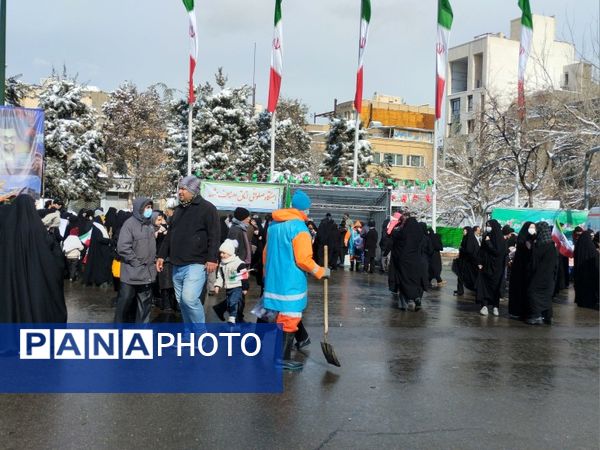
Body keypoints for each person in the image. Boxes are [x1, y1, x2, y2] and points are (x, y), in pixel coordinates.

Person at [263, 190, 329, 370]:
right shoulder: (300, 229)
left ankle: (275, 356)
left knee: (278, 318)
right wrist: (321, 271)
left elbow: (265, 254)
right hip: (290, 283)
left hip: (273, 281)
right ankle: (281, 359)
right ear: (305, 210)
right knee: (290, 319)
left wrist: (266, 274)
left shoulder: (274, 227)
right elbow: (303, 259)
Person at [156, 176, 220, 324]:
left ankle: (200, 334)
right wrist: (161, 256)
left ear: (193, 190)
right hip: (176, 264)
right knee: (182, 303)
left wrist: (212, 258)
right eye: (180, 188)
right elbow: (169, 236)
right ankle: (188, 333)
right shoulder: (178, 210)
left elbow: (214, 235)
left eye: (184, 189)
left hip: (196, 263)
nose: (180, 192)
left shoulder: (207, 208)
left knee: (189, 299)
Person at [0, 194, 67, 322]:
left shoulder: (6, 231)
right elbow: (54, 255)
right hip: (34, 279)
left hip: (10, 279)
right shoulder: (38, 230)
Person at [114, 198, 156, 323]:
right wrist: (135, 262)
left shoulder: (150, 225)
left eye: (150, 207)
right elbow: (123, 247)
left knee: (144, 306)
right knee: (125, 303)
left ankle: (142, 333)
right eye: (146, 207)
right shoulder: (129, 224)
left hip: (147, 273)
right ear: (139, 208)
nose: (149, 210)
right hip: (131, 273)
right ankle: (118, 331)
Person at [213, 207, 253, 322]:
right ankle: (238, 318)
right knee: (237, 293)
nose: (249, 219)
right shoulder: (235, 230)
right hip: (236, 266)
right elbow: (230, 249)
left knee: (238, 293)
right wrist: (237, 265)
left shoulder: (241, 228)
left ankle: (223, 310)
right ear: (242, 218)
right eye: (247, 217)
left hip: (241, 264)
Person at [389, 217, 428, 311]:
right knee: (415, 281)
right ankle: (417, 298)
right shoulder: (420, 235)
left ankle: (404, 304)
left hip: (404, 262)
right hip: (417, 261)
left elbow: (392, 236)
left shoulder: (403, 233)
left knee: (404, 281)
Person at [526, 222, 558, 325]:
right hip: (549, 276)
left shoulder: (541, 245)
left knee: (533, 292)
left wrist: (531, 248)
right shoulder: (552, 245)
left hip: (540, 275)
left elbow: (535, 260)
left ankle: (537, 316)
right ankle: (548, 316)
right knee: (546, 296)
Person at [214, 239, 250, 324]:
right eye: (221, 253)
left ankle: (232, 318)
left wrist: (245, 287)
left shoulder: (238, 263)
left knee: (233, 301)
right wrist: (217, 285)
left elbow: (244, 276)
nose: (221, 255)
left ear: (230, 253)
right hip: (228, 287)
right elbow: (220, 276)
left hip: (237, 286)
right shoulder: (222, 264)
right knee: (231, 302)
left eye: (224, 253)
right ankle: (234, 317)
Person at [475, 219, 506, 316]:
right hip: (486, 267)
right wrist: (479, 262)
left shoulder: (500, 240)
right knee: (484, 286)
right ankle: (484, 306)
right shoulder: (486, 237)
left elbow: (498, 252)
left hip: (497, 268)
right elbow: (481, 251)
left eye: (489, 226)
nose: (488, 228)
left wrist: (489, 243)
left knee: (495, 288)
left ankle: (495, 306)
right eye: (487, 225)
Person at [507, 222, 535, 319]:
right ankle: (516, 311)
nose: (532, 229)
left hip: (529, 270)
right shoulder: (521, 239)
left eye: (534, 228)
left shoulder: (534, 238)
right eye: (530, 227)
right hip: (519, 269)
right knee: (519, 290)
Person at [82, 213, 113, 287]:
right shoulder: (98, 227)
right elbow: (100, 239)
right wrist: (109, 240)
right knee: (99, 265)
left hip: (95, 249)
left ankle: (91, 279)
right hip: (100, 250)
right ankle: (99, 280)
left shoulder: (95, 226)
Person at [573, 230, 599, 310]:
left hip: (579, 272)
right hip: (589, 273)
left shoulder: (578, 246)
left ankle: (581, 301)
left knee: (580, 287)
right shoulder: (591, 248)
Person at [453, 226, 479, 296]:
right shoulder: (466, 238)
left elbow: (469, 251)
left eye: (464, 231)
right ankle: (460, 290)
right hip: (464, 261)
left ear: (468, 231)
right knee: (461, 276)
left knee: (470, 277)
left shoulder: (470, 239)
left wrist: (461, 249)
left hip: (469, 262)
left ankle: (477, 289)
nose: (463, 232)